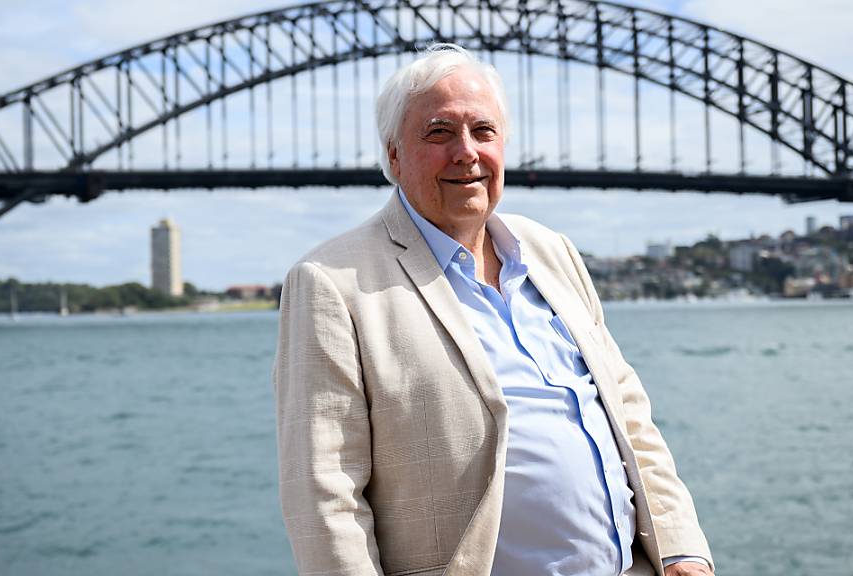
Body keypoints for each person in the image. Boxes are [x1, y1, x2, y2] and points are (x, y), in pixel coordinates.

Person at [274, 43, 713, 576]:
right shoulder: (332, 283)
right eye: (439, 133)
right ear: (392, 155)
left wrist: (683, 551)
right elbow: (325, 497)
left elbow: (629, 417)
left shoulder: (552, 253)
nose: (466, 152)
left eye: (483, 131)